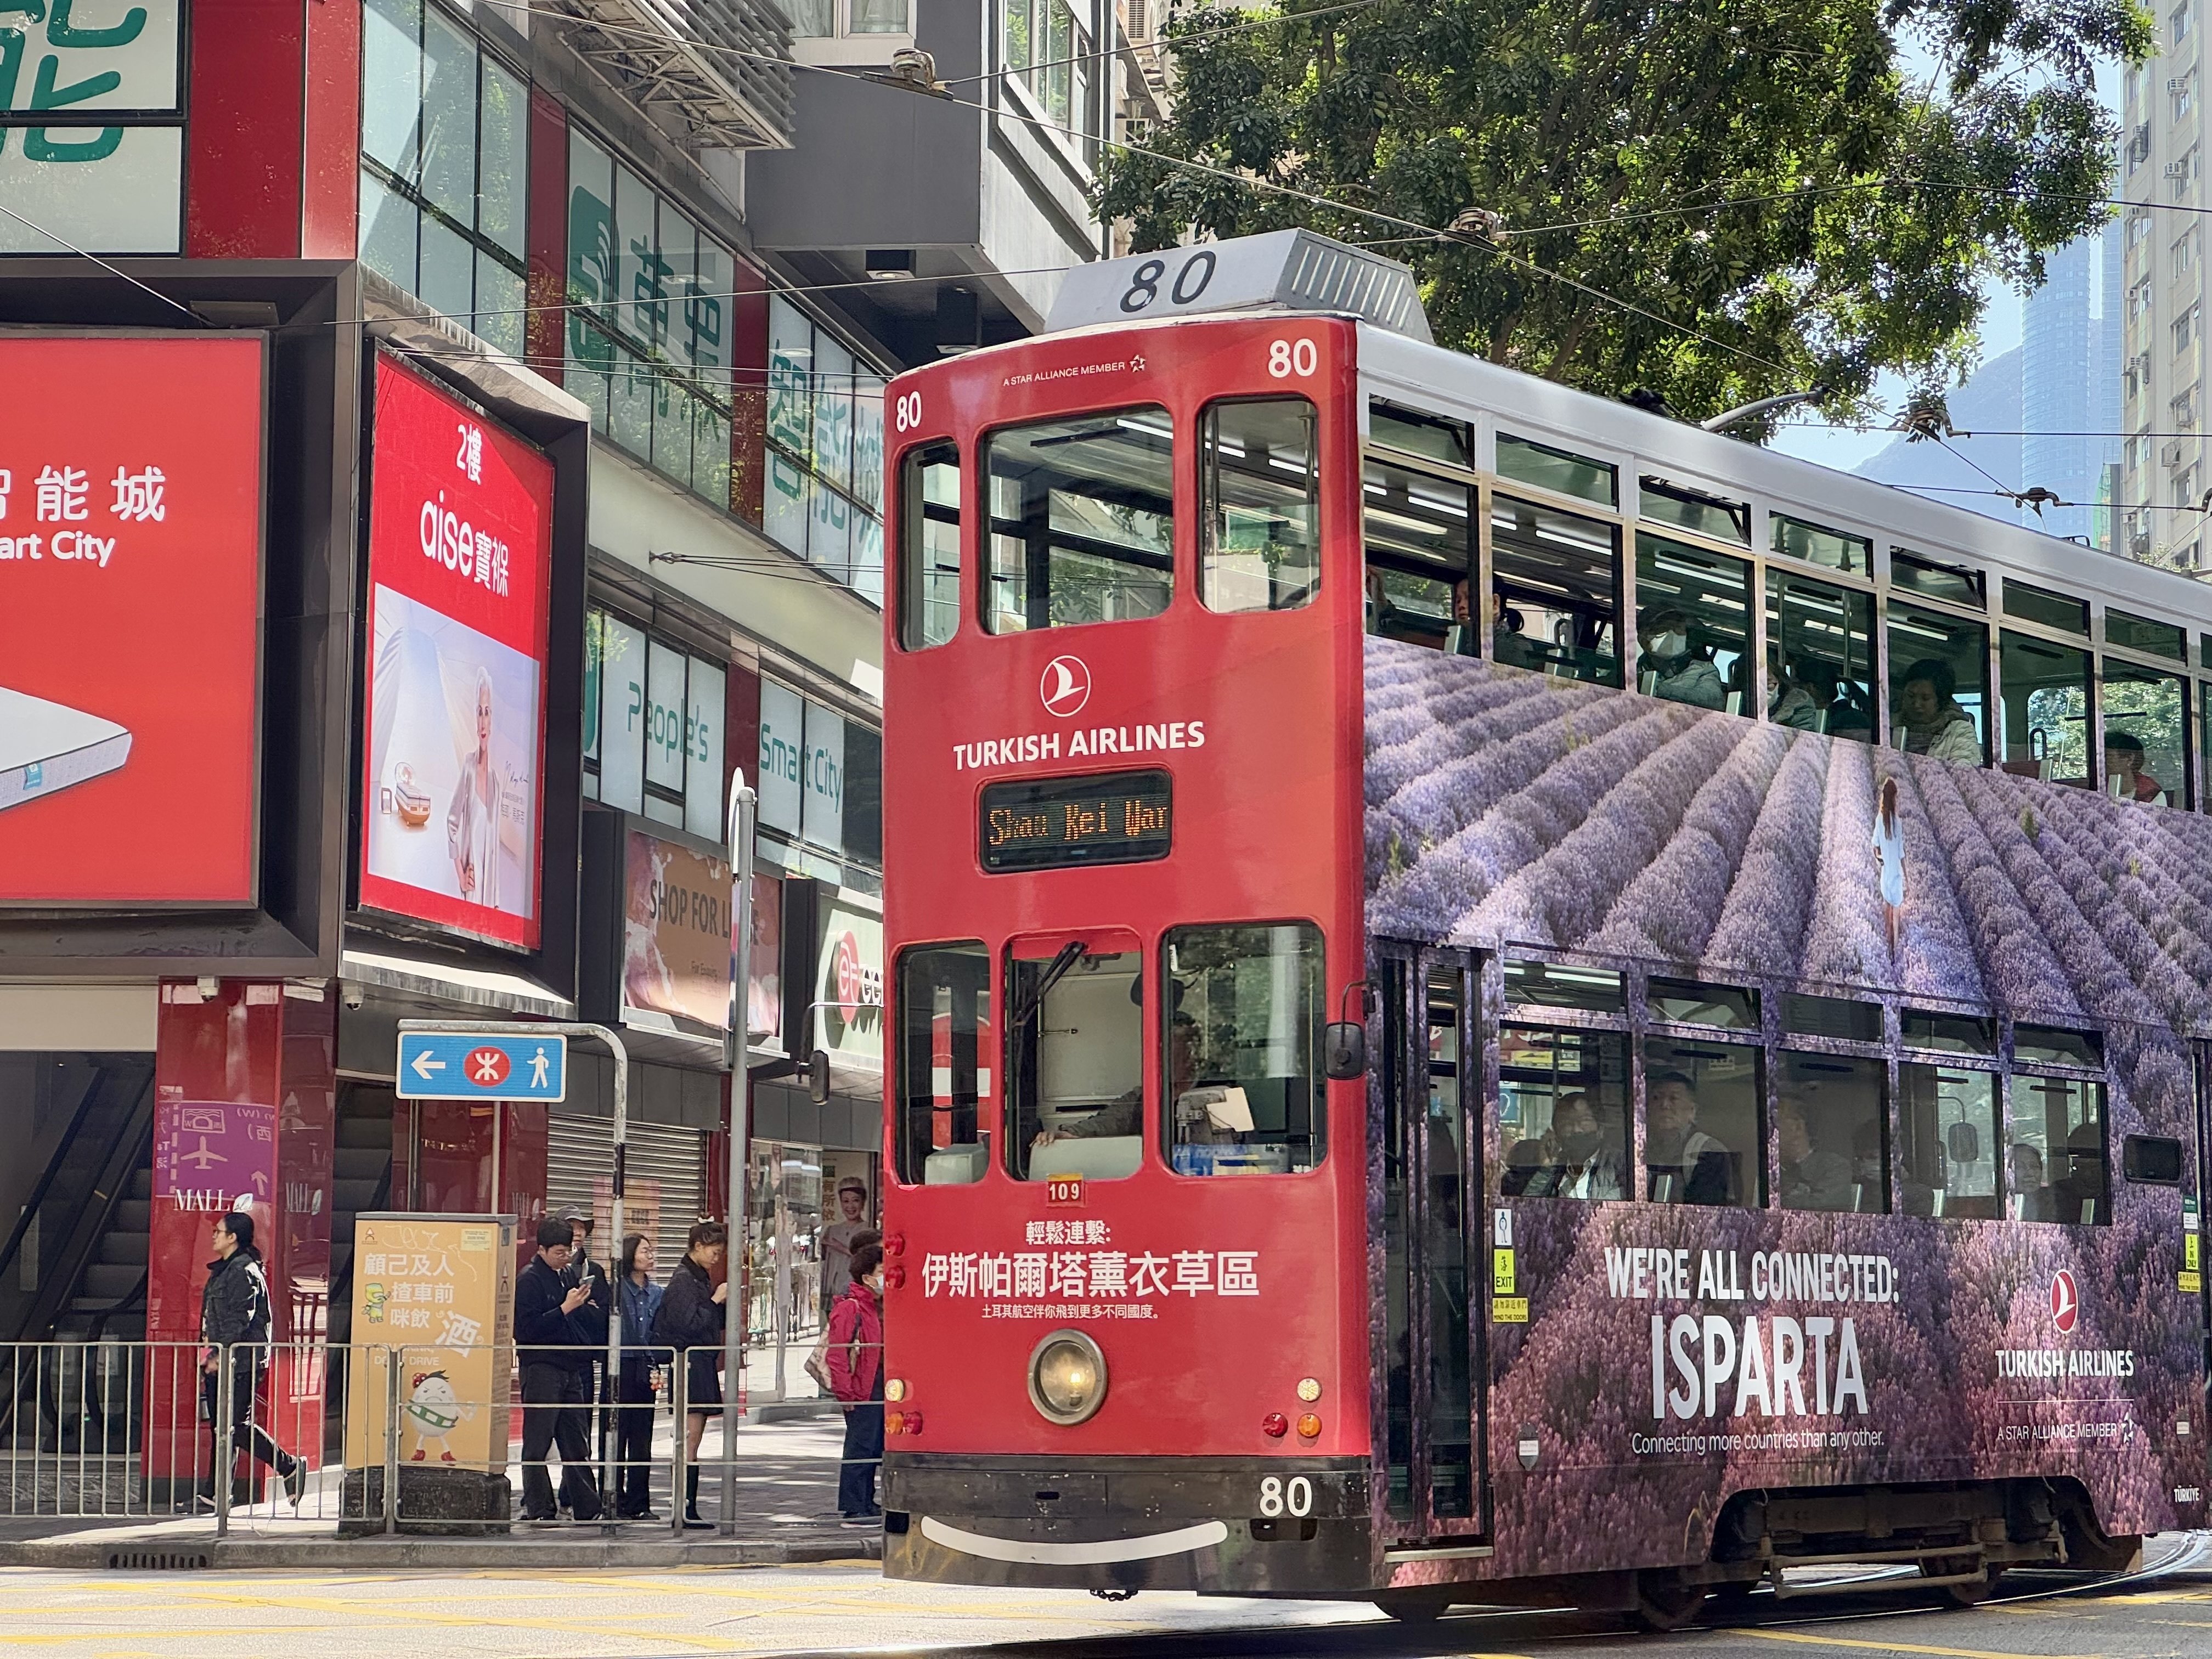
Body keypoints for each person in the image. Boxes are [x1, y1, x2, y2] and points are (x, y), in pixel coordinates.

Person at [197, 1211, 304, 1510]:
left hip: (240, 1362)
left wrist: (220, 1354)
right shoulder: (227, 1269)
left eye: (219, 1231)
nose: (214, 1236)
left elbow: (238, 1320)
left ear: (233, 1237)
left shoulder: (243, 1271)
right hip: (225, 1359)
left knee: (235, 1427)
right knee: (223, 1428)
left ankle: (289, 1466)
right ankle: (215, 1494)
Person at [514, 1216, 602, 1522]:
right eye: (559, 1253)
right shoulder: (529, 1279)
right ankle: (539, 1508)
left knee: (575, 1440)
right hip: (541, 1367)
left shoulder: (566, 1275)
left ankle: (588, 1507)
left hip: (570, 1365)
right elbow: (526, 1329)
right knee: (538, 1440)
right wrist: (565, 1308)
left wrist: (582, 1307)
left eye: (570, 1251)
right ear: (541, 1249)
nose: (566, 1258)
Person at [1032, 1013, 1204, 1148]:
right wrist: (1067, 1134)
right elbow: (1109, 1121)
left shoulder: (1214, 1089)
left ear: (1191, 1054)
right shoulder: (1142, 1097)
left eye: (1173, 1051)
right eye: (1160, 1050)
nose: (1162, 1058)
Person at [655, 1220, 729, 1530]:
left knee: (693, 1439)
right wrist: (715, 1301)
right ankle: (684, 1508)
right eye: (714, 1251)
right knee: (689, 1439)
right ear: (698, 1246)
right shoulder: (684, 1281)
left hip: (700, 1364)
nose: (717, 1257)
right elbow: (687, 1324)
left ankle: (688, 1507)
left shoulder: (698, 1277)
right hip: (690, 1364)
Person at [827, 1242, 887, 1525]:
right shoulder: (851, 1307)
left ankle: (866, 1500)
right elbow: (838, 1354)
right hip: (861, 1386)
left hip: (877, 1382)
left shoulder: (875, 1305)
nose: (886, 1277)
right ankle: (853, 1504)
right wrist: (845, 1392)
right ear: (866, 1277)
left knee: (873, 1445)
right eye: (881, 1271)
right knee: (860, 1446)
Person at [613, 1233, 666, 1521]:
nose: (651, 1255)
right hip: (620, 1366)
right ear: (630, 1255)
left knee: (642, 1437)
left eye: (651, 1250)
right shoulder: (616, 1291)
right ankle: (614, 1498)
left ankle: (639, 1502)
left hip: (646, 1368)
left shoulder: (658, 1293)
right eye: (645, 1250)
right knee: (617, 1435)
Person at [446, 667, 502, 907]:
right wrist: (461, 876)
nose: (483, 720)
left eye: (487, 712)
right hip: (471, 893)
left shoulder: (496, 783)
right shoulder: (469, 767)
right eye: (479, 712)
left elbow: (494, 853)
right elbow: (451, 823)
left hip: (490, 899)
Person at [1644, 1069, 1735, 1205]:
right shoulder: (1639, 1147)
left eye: (1673, 1098)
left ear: (1692, 1111)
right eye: (1657, 1098)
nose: (1664, 1105)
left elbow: (1706, 1211)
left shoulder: (1709, 1151)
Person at [1514, 1093, 1626, 1200]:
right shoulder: (1556, 1167)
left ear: (1601, 1129)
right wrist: (1546, 1170)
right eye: (1567, 1123)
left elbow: (1612, 1214)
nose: (1576, 1129)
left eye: (1585, 1121)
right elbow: (1528, 1210)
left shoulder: (1620, 1164)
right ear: (1557, 1132)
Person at [1896, 659, 1983, 767]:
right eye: (1911, 696)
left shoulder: (1960, 731)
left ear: (1941, 701)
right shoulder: (1887, 725)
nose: (1917, 704)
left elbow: (1963, 775)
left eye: (1925, 698)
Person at [1776, 1099, 1857, 1212]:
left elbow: (1822, 1214)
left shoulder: (1834, 1167)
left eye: (1775, 1121)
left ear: (1798, 1126)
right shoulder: (1772, 1170)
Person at [1637, 608, 1726, 709]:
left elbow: (1713, 700)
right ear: (1643, 639)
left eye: (1678, 628)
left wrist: (1654, 688)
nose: (1672, 634)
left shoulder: (1704, 670)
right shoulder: (1629, 667)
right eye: (1662, 629)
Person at [821, 1178, 873, 1305]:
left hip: (855, 1289)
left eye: (855, 1200)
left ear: (863, 1203)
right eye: (846, 1201)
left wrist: (841, 1247)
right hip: (833, 1290)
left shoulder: (868, 1229)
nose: (850, 1206)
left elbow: (868, 1259)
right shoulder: (833, 1230)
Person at [1873, 775, 1905, 955]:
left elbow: (1874, 845)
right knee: (1896, 921)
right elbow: (1901, 854)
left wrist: (1879, 859)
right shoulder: (1898, 823)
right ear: (1894, 798)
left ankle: (1887, 952)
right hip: (1896, 877)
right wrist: (1908, 878)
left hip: (1885, 877)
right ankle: (1896, 953)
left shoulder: (1879, 820)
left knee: (1887, 918)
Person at [2103, 731, 2163, 803]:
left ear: (2130, 759)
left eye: (2107, 756)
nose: (2101, 761)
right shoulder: (2095, 787)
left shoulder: (2152, 795)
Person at [2008, 1142, 2055, 1222]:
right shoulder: (1999, 1204)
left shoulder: (2055, 1202)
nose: (2030, 1173)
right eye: (2020, 1166)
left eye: (2034, 1166)